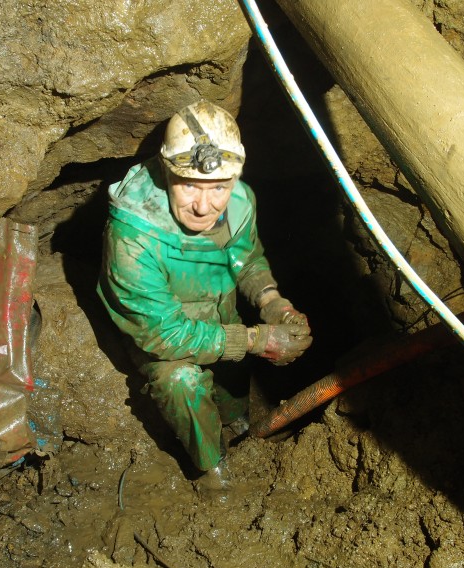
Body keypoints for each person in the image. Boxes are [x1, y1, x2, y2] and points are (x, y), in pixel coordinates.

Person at [97, 100, 312, 492]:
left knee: (231, 365)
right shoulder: (133, 235)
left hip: (219, 311)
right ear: (166, 171)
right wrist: (255, 339)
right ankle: (210, 463)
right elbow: (164, 335)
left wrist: (272, 302)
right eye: (189, 185)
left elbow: (245, 260)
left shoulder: (240, 200)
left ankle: (234, 417)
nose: (203, 206)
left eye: (218, 188)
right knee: (181, 382)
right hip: (161, 335)